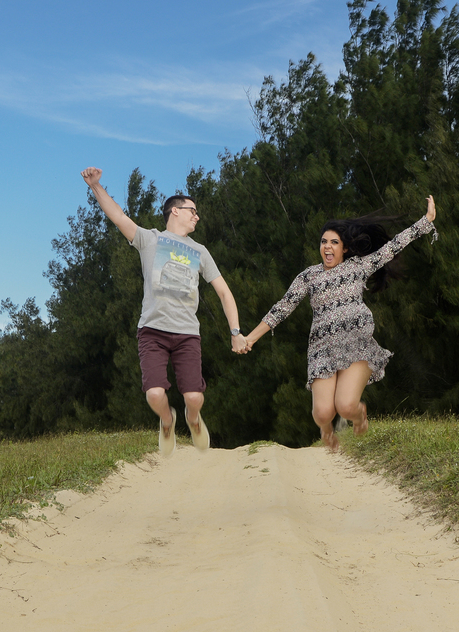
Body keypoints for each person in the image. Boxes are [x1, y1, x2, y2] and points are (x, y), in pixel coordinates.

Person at [242, 196, 438, 452]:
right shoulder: (308, 276)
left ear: (344, 248)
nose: (328, 247)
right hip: (322, 348)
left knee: (345, 406)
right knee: (323, 413)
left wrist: (426, 222)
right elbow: (282, 308)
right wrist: (250, 338)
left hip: (356, 343)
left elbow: (392, 247)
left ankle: (359, 415)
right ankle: (326, 430)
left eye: (334, 242)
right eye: (324, 241)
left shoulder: (358, 266)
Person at [80, 167, 248, 457]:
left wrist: (235, 332)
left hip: (186, 335)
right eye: (192, 210)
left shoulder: (201, 251)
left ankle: (192, 419)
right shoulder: (150, 240)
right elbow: (118, 216)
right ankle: (167, 420)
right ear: (174, 211)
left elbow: (224, 292)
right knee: (155, 394)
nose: (197, 216)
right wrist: (96, 186)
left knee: (194, 397)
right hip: (152, 331)